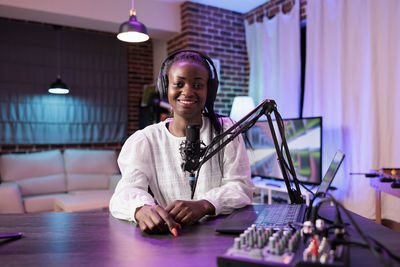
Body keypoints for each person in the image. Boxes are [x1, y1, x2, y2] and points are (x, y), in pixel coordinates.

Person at [109, 50, 254, 236]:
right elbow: (125, 191)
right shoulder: (146, 140)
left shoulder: (226, 131)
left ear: (209, 90)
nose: (187, 91)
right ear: (165, 87)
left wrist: (205, 204)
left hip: (220, 236)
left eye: (198, 85)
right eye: (178, 83)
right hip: (171, 237)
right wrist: (141, 209)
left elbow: (241, 187)